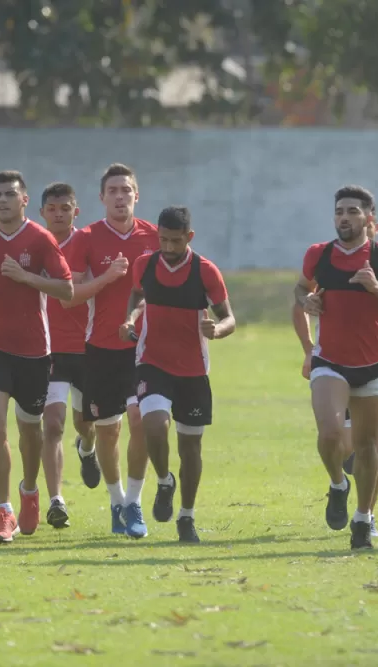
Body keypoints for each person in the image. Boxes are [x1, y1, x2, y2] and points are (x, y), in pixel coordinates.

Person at [294, 185, 378, 550]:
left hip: (373, 365)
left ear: (369, 218)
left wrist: (377, 287)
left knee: (367, 446)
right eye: (338, 211)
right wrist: (308, 302)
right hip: (329, 361)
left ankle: (363, 518)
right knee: (331, 434)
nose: (343, 217)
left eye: (351, 211)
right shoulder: (318, 255)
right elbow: (300, 290)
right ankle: (338, 484)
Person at [0, 171, 74, 544]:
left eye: (10, 194)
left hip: (34, 351)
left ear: (24, 201)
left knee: (29, 430)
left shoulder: (40, 239)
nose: (3, 200)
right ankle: (3, 510)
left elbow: (67, 289)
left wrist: (26, 277)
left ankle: (29, 490)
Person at [122, 206, 235, 543]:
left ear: (190, 237)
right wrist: (129, 319)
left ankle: (186, 516)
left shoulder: (206, 272)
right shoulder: (145, 265)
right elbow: (136, 296)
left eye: (175, 241)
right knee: (153, 425)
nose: (168, 247)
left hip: (193, 369)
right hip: (152, 362)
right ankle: (163, 480)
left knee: (190, 448)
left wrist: (216, 330)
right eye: (163, 240)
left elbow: (229, 318)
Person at [64, 163, 160, 538]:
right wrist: (106, 278)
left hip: (144, 350)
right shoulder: (85, 238)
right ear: (102, 198)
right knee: (107, 431)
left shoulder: (155, 238)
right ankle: (116, 502)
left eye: (127, 190)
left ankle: (134, 503)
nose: (120, 197)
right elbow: (70, 296)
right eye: (113, 191)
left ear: (137, 195)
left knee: (140, 422)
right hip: (101, 348)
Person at [37, 182, 123, 529]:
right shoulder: (32, 243)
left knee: (85, 425)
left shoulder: (87, 242)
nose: (58, 214)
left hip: (88, 348)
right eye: (52, 209)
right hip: (47, 348)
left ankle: (86, 449)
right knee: (52, 424)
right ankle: (56, 500)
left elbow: (77, 293)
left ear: (76, 211)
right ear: (41, 212)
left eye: (65, 208)